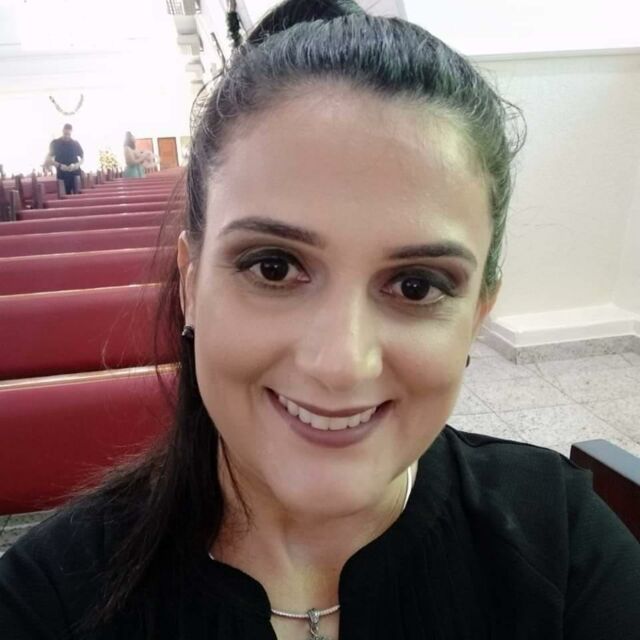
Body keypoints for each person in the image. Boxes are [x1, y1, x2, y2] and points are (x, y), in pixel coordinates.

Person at [1, 1, 639, 638]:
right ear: (191, 285)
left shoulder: (565, 548)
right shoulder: (46, 600)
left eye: (415, 285)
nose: (340, 364)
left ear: (477, 315)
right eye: (274, 267)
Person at [47, 123, 84, 194]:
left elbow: (82, 158)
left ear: (71, 132)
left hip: (75, 173)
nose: (67, 136)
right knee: (64, 196)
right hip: (62, 174)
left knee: (77, 195)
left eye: (69, 134)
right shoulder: (55, 143)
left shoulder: (75, 143)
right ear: (62, 131)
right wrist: (59, 165)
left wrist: (76, 165)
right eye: (65, 134)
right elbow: (49, 159)